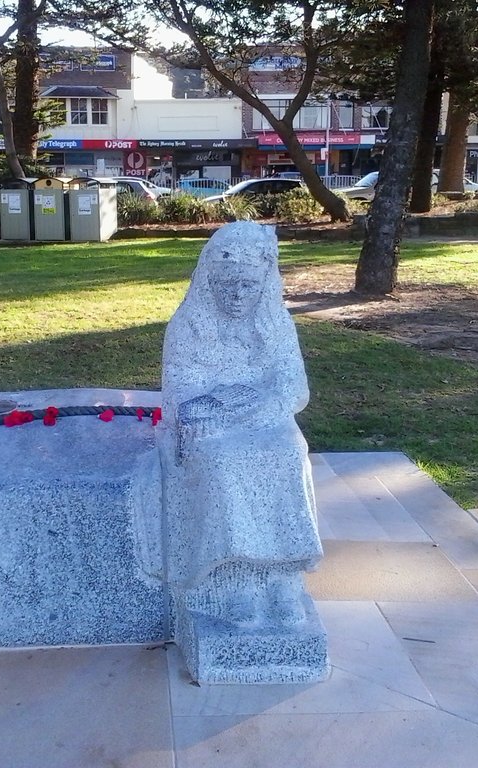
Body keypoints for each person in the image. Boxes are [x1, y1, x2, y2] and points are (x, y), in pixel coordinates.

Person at [159, 221, 323, 629]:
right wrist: (212, 407)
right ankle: (238, 578)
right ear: (209, 280)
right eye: (227, 284)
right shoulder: (188, 326)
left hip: (264, 420)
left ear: (264, 284)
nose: (237, 295)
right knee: (223, 464)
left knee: (287, 453)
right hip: (209, 430)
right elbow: (179, 391)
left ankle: (284, 576)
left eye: (248, 286)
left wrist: (257, 406)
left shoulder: (276, 325)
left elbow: (293, 387)